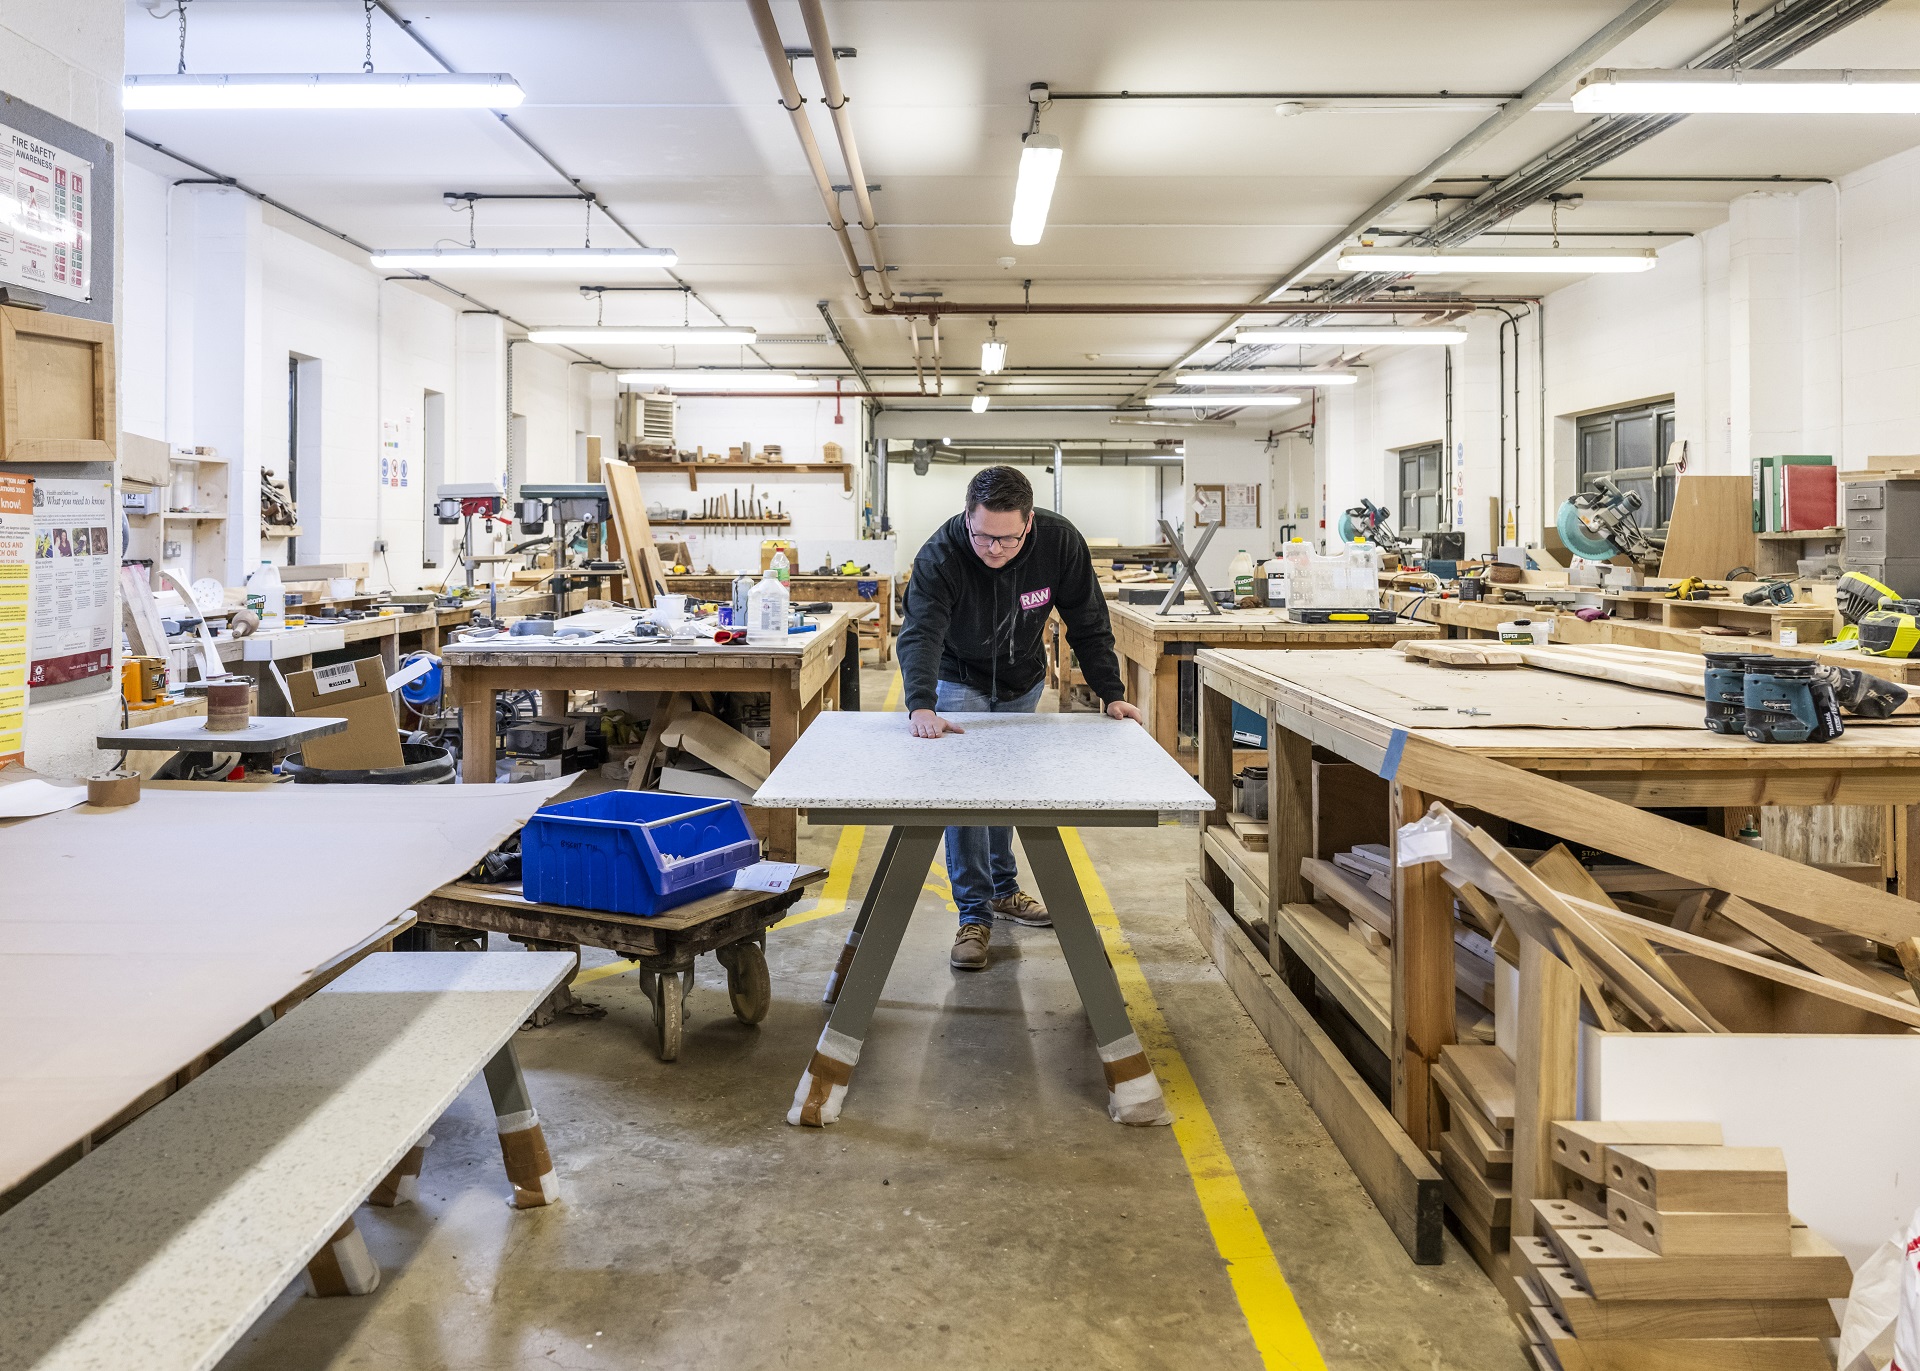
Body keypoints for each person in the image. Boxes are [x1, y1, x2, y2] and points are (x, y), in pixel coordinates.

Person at [894, 464, 1143, 971]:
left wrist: (1110, 693)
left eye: (1008, 539)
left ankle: (1004, 890)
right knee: (967, 791)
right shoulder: (941, 554)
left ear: (1028, 522)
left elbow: (1089, 621)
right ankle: (973, 915)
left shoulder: (1059, 543)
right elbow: (920, 632)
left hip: (1021, 677)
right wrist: (921, 703)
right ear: (968, 517)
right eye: (983, 536)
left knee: (1007, 784)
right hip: (958, 676)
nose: (995, 550)